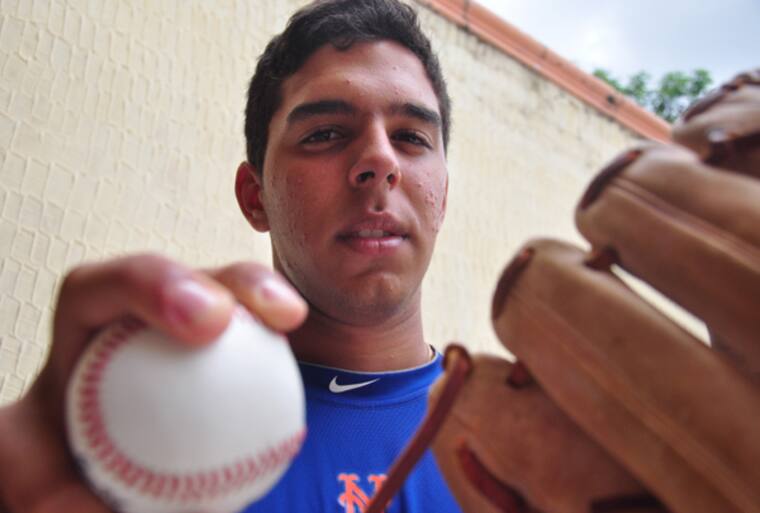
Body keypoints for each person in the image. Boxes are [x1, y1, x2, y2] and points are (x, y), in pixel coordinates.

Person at [0, 0, 462, 512]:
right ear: (254, 196)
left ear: (442, 196)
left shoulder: (512, 449)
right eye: (325, 134)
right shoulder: (142, 431)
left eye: (410, 137)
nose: (379, 159)